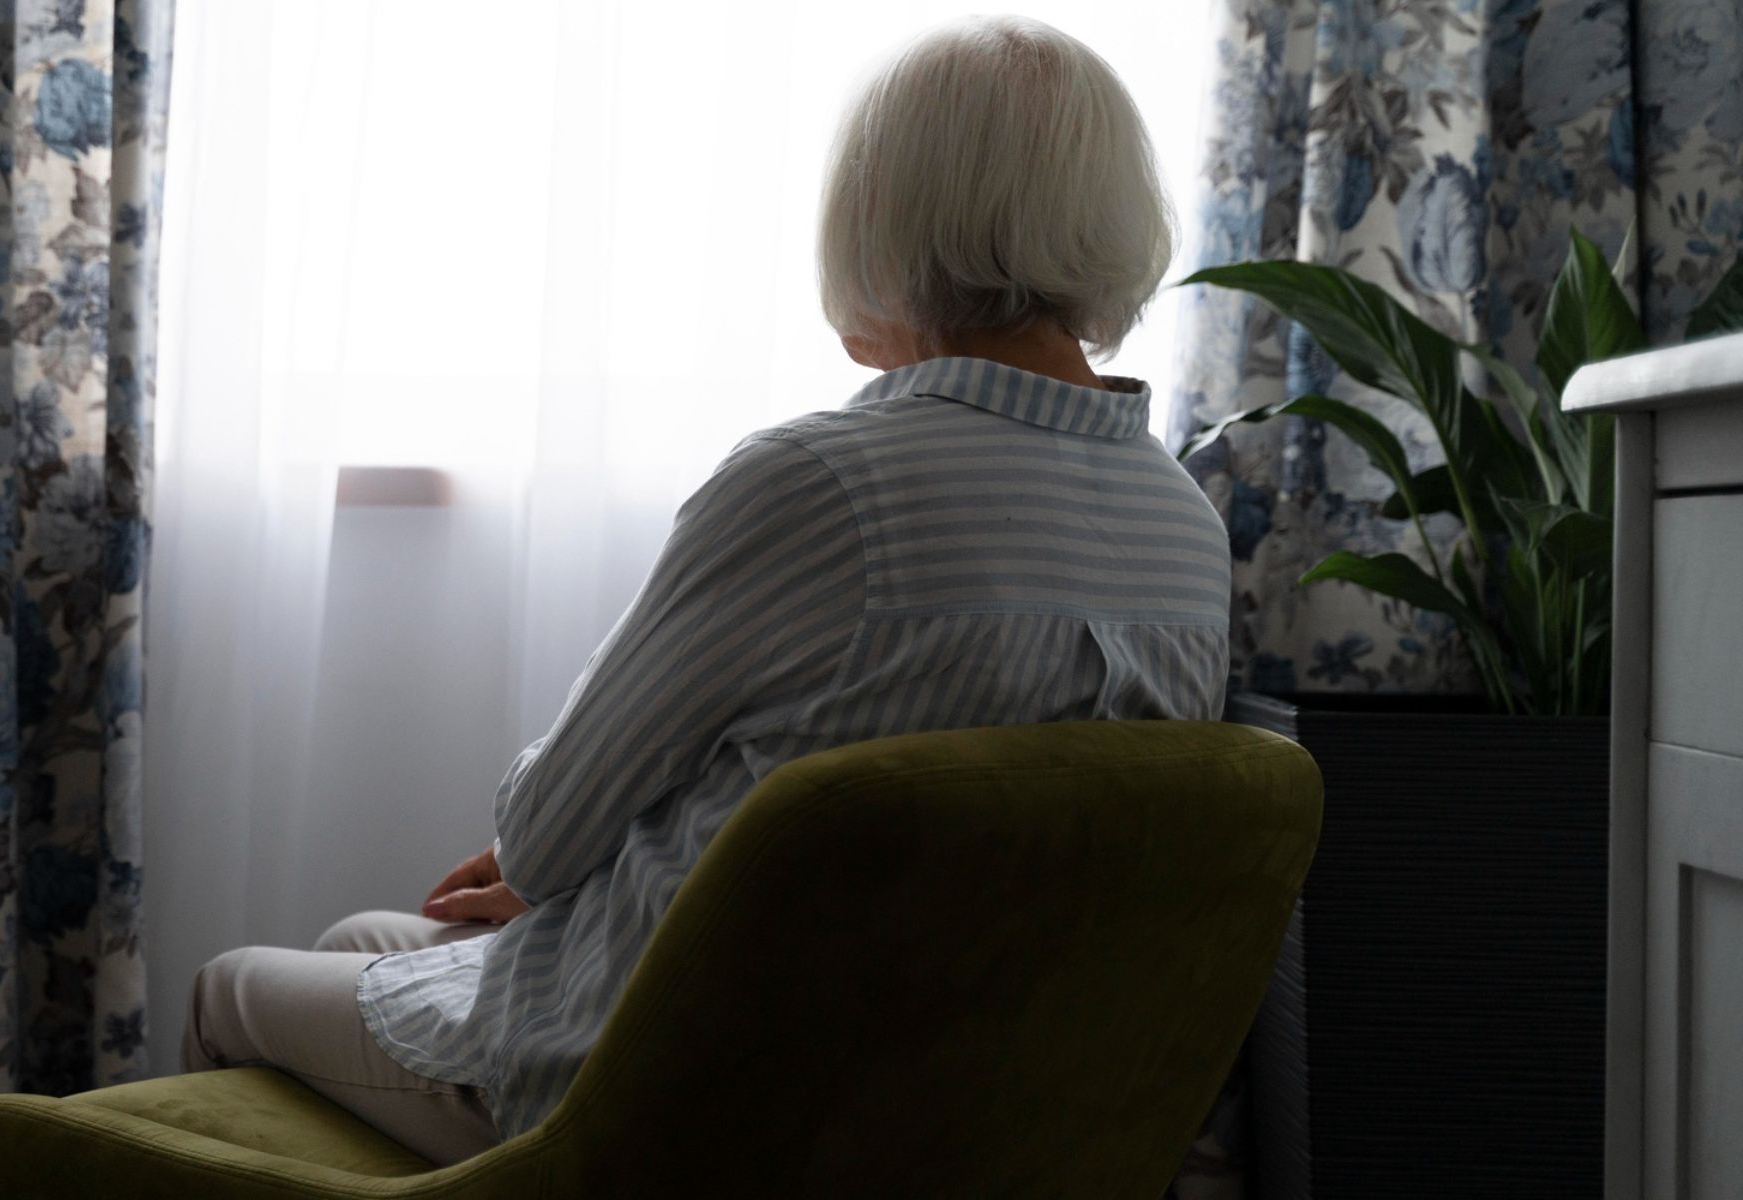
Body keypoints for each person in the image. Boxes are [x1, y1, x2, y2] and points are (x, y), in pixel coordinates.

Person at [182, 14, 1228, 1166]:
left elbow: (544, 833)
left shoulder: (822, 483)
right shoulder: (1187, 527)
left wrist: (543, 866)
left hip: (685, 1085)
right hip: (969, 1105)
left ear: (877, 213)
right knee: (368, 942)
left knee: (230, 985)